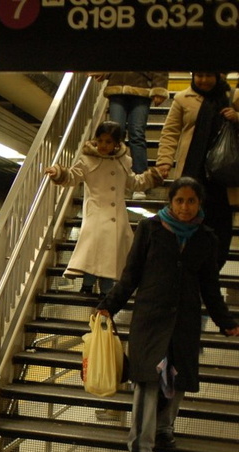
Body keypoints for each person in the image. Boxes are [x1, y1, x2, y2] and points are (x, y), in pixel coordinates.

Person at [96, 177, 239, 452]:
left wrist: (225, 321)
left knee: (177, 379)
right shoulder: (149, 229)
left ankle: (164, 429)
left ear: (199, 203)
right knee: (148, 381)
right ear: (170, 202)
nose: (185, 207)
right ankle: (140, 446)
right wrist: (108, 306)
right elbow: (131, 274)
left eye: (191, 201)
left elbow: (210, 287)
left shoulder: (206, 238)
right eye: (179, 201)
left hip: (184, 320)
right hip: (150, 318)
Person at [45, 120, 163, 296]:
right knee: (95, 248)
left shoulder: (124, 161)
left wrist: (152, 177)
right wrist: (59, 173)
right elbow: (72, 176)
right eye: (100, 140)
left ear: (117, 143)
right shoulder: (86, 160)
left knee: (109, 252)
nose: (103, 145)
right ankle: (88, 284)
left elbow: (133, 183)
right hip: (95, 211)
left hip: (117, 214)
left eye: (108, 142)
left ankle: (105, 289)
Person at [156, 72, 239, 270]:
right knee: (187, 225)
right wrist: (164, 161)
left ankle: (212, 271)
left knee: (220, 230)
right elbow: (170, 131)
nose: (203, 80)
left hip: (223, 179)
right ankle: (188, 274)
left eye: (208, 75)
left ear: (219, 75)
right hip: (192, 175)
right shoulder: (182, 98)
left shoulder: (234, 97)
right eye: (199, 75)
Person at [91, 72, 169, 200]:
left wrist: (159, 87)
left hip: (142, 87)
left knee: (136, 134)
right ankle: (111, 179)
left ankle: (140, 183)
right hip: (117, 85)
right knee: (114, 135)